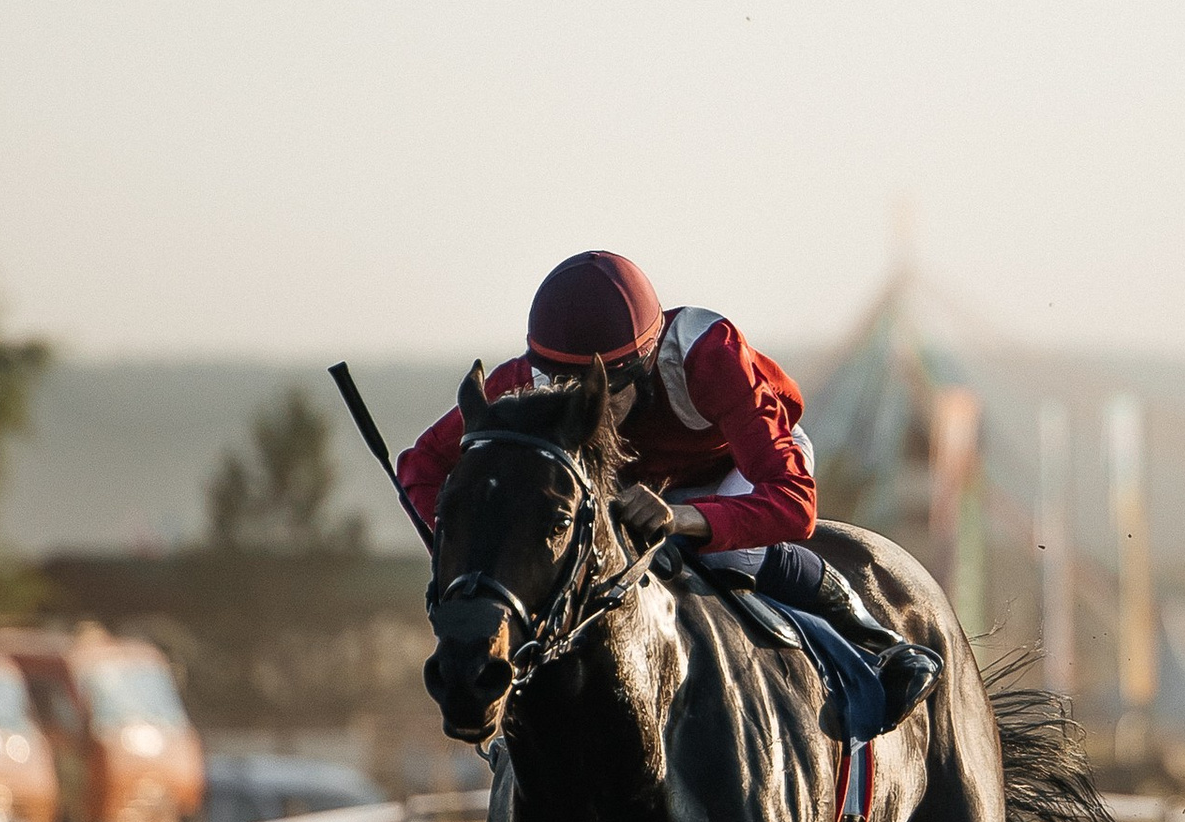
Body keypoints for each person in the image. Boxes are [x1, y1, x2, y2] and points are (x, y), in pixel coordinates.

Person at [399, 251, 943, 727]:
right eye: (571, 394)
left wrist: (684, 519)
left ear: (644, 363)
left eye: (606, 396)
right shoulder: (528, 382)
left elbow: (795, 505)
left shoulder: (708, 355)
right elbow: (420, 466)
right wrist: (463, 554)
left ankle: (878, 643)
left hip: (744, 469)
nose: (592, 416)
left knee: (737, 555)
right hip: (642, 486)